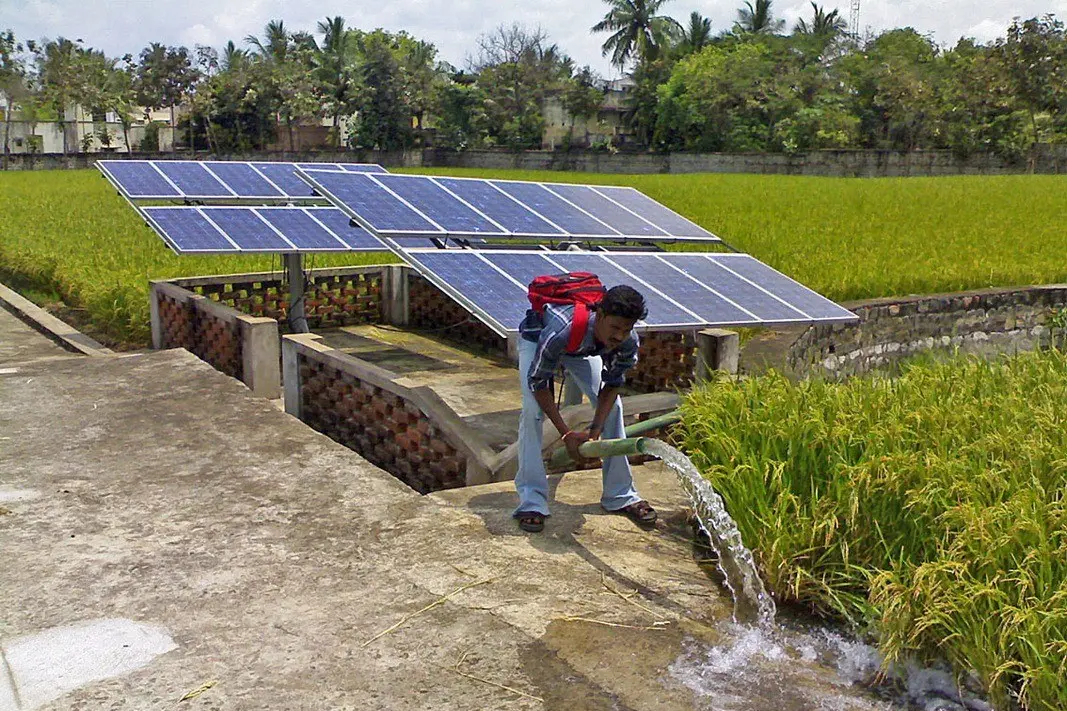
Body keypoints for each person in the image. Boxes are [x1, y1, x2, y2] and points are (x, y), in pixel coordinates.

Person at [514, 284, 657, 533]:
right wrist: (567, 434)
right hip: (538, 340)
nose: (619, 336)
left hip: (583, 348)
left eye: (626, 329)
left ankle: (620, 494)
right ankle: (532, 501)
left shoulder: (626, 341)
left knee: (615, 409)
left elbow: (612, 385)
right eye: (615, 328)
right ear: (599, 315)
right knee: (532, 412)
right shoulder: (561, 331)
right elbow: (538, 384)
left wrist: (595, 430)